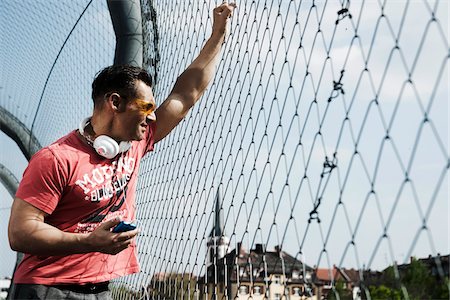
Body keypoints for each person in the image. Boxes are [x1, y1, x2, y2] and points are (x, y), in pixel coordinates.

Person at [8, 2, 236, 299]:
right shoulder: (56, 158)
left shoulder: (137, 142)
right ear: (115, 103)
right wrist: (89, 241)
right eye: (145, 107)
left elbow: (186, 94)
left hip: (100, 288)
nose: (152, 116)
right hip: (45, 289)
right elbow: (20, 232)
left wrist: (218, 34)